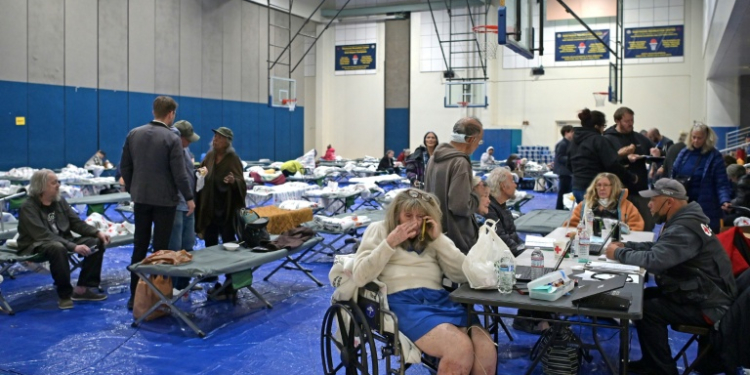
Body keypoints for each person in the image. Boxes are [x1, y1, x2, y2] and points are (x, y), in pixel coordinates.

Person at [351, 189, 497, 374]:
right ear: (396, 215)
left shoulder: (432, 236)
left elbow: (463, 274)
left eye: (421, 216)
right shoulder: (379, 230)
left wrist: (439, 240)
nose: (414, 222)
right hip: (402, 303)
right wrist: (389, 243)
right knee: (458, 348)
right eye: (408, 215)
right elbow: (360, 276)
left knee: (486, 347)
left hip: (439, 299)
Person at [604, 179, 736, 375]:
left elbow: (655, 260)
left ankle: (661, 370)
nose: (649, 204)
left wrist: (618, 254)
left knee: (646, 309)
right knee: (644, 298)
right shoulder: (685, 220)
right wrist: (629, 246)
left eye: (653, 200)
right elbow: (661, 249)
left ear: (669, 202)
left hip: (710, 306)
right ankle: (652, 362)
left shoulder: (684, 228)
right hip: (705, 294)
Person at [120, 96, 195, 310]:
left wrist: (135, 189)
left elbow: (125, 167)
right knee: (160, 252)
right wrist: (189, 198)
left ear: (154, 111)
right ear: (171, 114)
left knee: (139, 247)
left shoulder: (134, 134)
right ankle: (157, 297)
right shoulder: (171, 138)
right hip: (165, 202)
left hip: (141, 199)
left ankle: (134, 296)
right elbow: (180, 174)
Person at [17, 169, 110, 309]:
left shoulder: (60, 201)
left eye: (58, 182)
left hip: (62, 239)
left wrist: (97, 232)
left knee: (95, 242)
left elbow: (76, 223)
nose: (58, 185)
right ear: (41, 186)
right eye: (54, 183)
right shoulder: (28, 207)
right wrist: (73, 247)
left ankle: (82, 289)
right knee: (57, 247)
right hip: (36, 244)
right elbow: (43, 235)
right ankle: (64, 295)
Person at [424, 117, 484, 254]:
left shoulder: (433, 158)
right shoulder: (460, 163)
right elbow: (459, 206)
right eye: (479, 141)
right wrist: (477, 195)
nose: (478, 146)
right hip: (457, 240)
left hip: (437, 234)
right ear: (471, 140)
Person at [670, 124, 733, 233]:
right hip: (684, 203)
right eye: (694, 137)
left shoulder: (714, 156)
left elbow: (721, 183)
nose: (696, 141)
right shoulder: (684, 153)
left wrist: (725, 200)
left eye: (700, 138)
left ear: (706, 138)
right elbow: (673, 175)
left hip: (706, 205)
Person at [567, 108, 636, 203]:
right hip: (595, 188)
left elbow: (568, 164)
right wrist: (631, 177)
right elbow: (612, 164)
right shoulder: (599, 140)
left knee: (586, 216)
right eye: (603, 126)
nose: (604, 129)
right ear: (596, 126)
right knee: (599, 217)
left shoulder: (574, 142)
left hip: (576, 187)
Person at [603, 107, 655, 230]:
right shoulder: (607, 139)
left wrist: (655, 154)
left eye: (632, 120)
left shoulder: (639, 138)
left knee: (647, 224)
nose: (630, 124)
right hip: (618, 191)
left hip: (640, 190)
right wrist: (623, 157)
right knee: (620, 227)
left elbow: (654, 153)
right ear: (617, 120)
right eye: (627, 121)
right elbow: (606, 164)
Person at [168, 120, 199, 290]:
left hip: (188, 202)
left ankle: (185, 283)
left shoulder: (185, 149)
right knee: (175, 247)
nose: (189, 142)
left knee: (188, 244)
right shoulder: (170, 149)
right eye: (187, 138)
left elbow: (186, 172)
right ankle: (171, 285)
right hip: (176, 203)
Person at [566, 172, 645, 231]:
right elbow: (570, 226)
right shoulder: (585, 205)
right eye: (599, 185)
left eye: (606, 185)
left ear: (614, 187)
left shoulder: (627, 206)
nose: (602, 188)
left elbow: (637, 227)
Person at [484, 167, 523, 255]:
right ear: (503, 186)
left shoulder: (501, 206)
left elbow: (513, 238)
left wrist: (525, 248)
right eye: (512, 181)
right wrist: (525, 253)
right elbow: (502, 241)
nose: (515, 185)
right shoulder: (489, 209)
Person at [554, 125, 574, 210]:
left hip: (567, 172)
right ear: (566, 132)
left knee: (565, 192)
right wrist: (572, 158)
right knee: (563, 192)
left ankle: (563, 208)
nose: (574, 134)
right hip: (564, 172)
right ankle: (559, 208)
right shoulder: (562, 144)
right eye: (572, 132)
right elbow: (560, 157)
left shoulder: (569, 143)